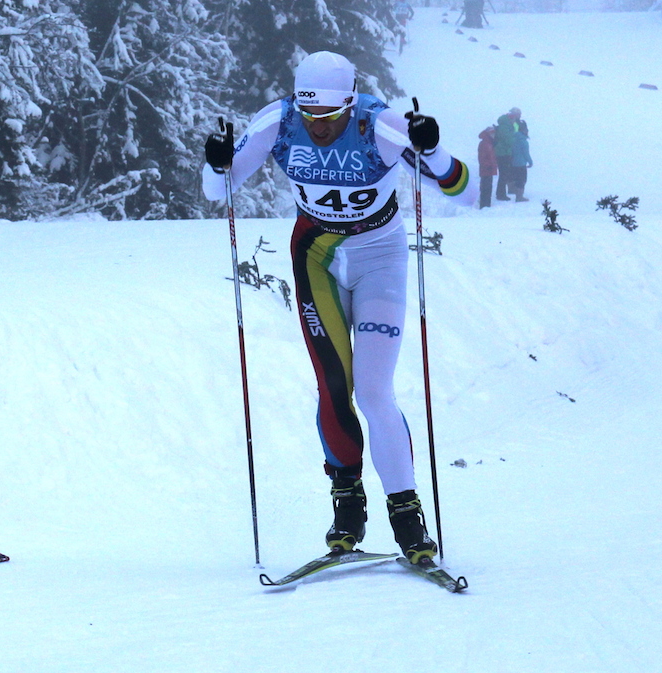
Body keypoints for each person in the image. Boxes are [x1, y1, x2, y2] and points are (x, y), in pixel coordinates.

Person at [202, 51, 477, 566]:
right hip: (316, 256)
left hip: (379, 257)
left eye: (329, 117)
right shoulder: (278, 121)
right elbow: (218, 191)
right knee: (333, 384)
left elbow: (464, 192)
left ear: (350, 105)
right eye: (311, 116)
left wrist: (433, 151)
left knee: (373, 390)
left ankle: (406, 514)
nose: (319, 127)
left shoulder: (382, 125)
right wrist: (215, 161)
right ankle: (347, 505)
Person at [494, 107, 521, 201]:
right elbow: (507, 139)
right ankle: (500, 194)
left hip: (505, 152)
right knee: (503, 174)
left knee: (504, 174)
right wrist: (515, 139)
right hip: (502, 153)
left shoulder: (508, 124)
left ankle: (501, 194)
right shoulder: (505, 125)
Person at [511, 121, 533, 202]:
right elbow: (526, 154)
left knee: (517, 180)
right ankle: (520, 197)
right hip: (521, 164)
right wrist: (530, 162)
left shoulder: (513, 139)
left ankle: (517, 195)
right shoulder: (524, 142)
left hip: (514, 163)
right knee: (522, 180)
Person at [477, 126, 497, 208]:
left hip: (489, 169)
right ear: (488, 134)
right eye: (492, 133)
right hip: (486, 169)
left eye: (494, 133)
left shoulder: (489, 143)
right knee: (485, 188)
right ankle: (484, 205)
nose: (494, 134)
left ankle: (486, 205)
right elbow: (482, 158)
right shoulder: (484, 143)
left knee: (488, 188)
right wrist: (488, 165)